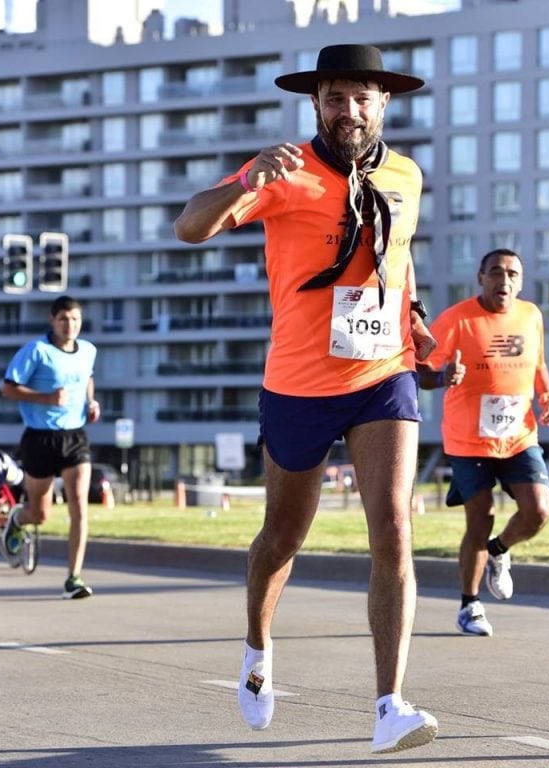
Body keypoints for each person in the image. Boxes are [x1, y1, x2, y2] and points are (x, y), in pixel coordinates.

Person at [174, 44, 438, 753]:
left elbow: (396, 262)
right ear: (315, 103)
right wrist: (243, 183)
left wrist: (415, 327)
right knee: (283, 538)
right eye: (334, 98)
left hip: (382, 375)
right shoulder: (284, 170)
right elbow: (189, 225)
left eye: (361, 97)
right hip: (297, 385)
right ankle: (257, 651)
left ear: (383, 103)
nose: (348, 111)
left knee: (393, 530)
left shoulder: (407, 176)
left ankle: (391, 705)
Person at [418, 249, 549, 636]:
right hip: (469, 439)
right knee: (480, 518)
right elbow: (418, 371)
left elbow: (539, 365)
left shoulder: (530, 316)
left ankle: (498, 551)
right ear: (480, 277)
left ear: (521, 280)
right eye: (496, 272)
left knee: (538, 511)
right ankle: (470, 605)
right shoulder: (456, 320)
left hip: (518, 435)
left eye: (513, 274)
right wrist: (442, 376)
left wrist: (547, 398)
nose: (505, 281)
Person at [1, 295, 100, 599]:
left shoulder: (88, 350)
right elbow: (8, 389)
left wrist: (90, 402)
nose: (70, 325)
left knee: (79, 508)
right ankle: (18, 519)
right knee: (40, 514)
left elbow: (87, 379)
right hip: (40, 438)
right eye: (64, 319)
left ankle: (74, 578)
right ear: (52, 321)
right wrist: (46, 399)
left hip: (75, 437)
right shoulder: (36, 351)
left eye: (75, 319)